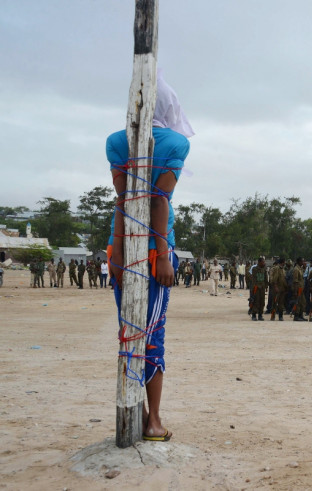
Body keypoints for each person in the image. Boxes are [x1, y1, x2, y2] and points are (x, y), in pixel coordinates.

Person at [106, 70, 194, 442]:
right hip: (154, 250)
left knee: (130, 334)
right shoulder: (174, 144)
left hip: (123, 248)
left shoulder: (115, 142)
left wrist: (116, 252)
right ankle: (153, 421)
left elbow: (125, 200)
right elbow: (158, 199)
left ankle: (136, 414)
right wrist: (160, 256)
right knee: (152, 334)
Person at [291, 257, 307, 321]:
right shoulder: (296, 269)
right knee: (298, 302)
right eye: (302, 261)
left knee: (303, 302)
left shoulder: (300, 269)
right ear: (299, 262)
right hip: (298, 289)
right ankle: (296, 316)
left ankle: (301, 315)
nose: (303, 262)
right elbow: (295, 281)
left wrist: (305, 268)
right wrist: (295, 291)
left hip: (301, 288)